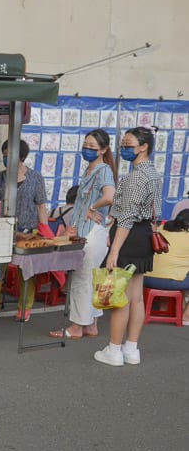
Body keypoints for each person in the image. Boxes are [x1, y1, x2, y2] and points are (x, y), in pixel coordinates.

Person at [94, 126, 164, 366]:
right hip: (144, 236)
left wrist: (114, 249)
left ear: (143, 147)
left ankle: (114, 350)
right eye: (122, 144)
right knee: (136, 297)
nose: (124, 148)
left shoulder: (136, 177)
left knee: (119, 295)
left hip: (129, 236)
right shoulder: (153, 173)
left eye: (128, 144)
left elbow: (127, 217)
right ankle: (131, 349)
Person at [48, 129, 116, 339]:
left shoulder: (103, 170)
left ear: (103, 150)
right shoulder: (90, 170)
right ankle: (91, 325)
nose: (86, 149)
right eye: (85, 145)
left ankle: (76, 327)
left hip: (92, 233)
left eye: (92, 147)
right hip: (86, 231)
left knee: (82, 279)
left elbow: (110, 196)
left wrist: (92, 208)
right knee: (91, 279)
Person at [0, 139, 53, 322]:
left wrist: (44, 231)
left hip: (28, 231)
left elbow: (41, 207)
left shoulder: (35, 178)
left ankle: (25, 308)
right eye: (4, 156)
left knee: (26, 271)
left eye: (9, 156)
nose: (5, 159)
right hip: (2, 232)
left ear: (21, 157)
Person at [143, 209, 189, 326]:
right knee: (178, 271)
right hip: (172, 281)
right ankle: (186, 315)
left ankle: (164, 308)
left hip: (146, 278)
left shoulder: (161, 229)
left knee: (171, 267)